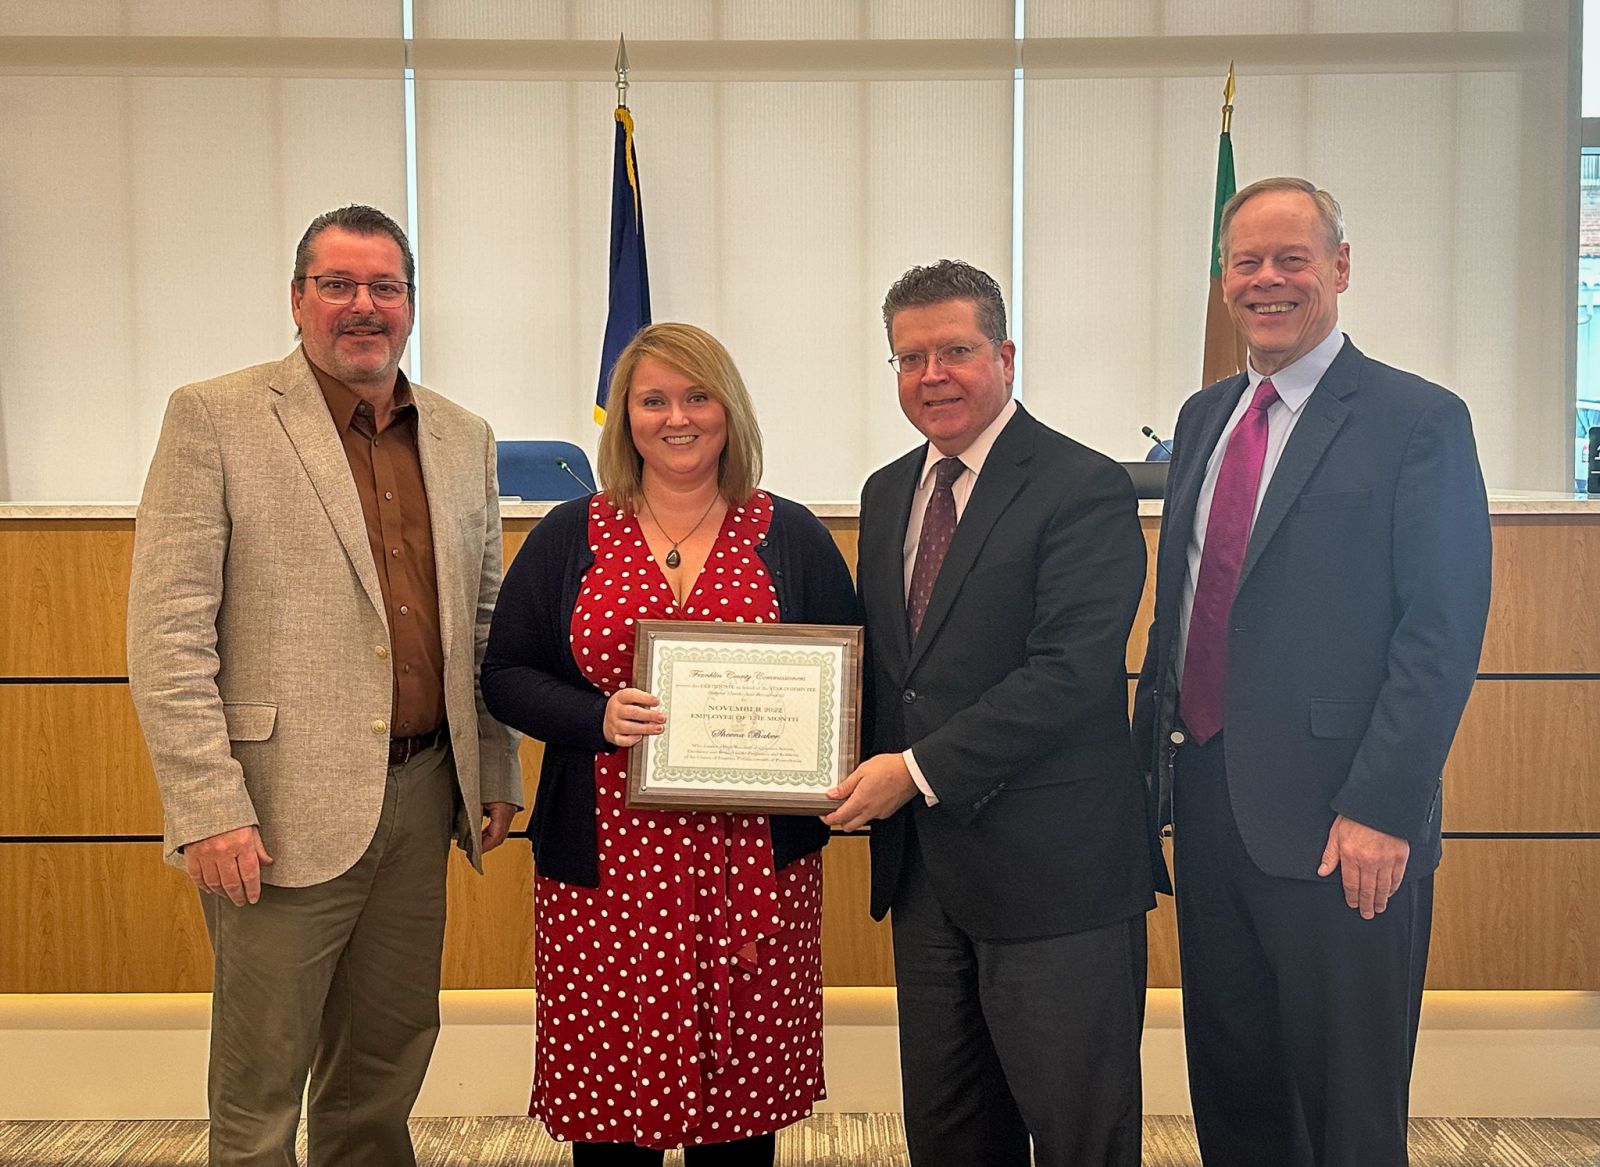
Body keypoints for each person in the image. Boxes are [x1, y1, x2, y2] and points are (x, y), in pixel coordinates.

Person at [126, 204, 521, 1166]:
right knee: (260, 1090)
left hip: (426, 792)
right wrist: (207, 805)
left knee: (381, 1075)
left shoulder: (463, 435)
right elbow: (168, 633)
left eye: (385, 287)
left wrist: (496, 765)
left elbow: (483, 617)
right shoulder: (213, 416)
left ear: (411, 305)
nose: (362, 306)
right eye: (337, 284)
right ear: (297, 298)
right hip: (272, 809)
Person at [1133, 177, 1493, 1167]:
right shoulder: (1206, 415)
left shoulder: (1416, 418)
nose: (1267, 280)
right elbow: (1188, 612)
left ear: (1339, 268)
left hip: (1345, 826)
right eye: (1245, 261)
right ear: (1222, 281)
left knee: (1345, 1107)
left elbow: (1441, 629)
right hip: (1208, 806)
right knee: (1235, 1084)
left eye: (1291, 258)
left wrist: (1383, 805)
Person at [480, 322, 857, 1165]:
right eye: (652, 399)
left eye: (697, 396)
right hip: (608, 871)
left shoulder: (788, 535)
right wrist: (594, 718)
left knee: (740, 1125)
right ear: (625, 417)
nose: (675, 417)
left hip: (756, 870)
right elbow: (505, 671)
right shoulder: (570, 534)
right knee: (612, 1118)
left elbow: (849, 678)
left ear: (730, 410)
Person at [825, 260, 1157, 1167]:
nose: (932, 375)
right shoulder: (890, 490)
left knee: (1078, 1131)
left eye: (956, 351)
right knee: (951, 1132)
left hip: (1057, 877)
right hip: (928, 879)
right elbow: (896, 675)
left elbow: (1069, 673)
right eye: (909, 357)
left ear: (1005, 355)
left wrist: (914, 770)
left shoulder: (1082, 485)